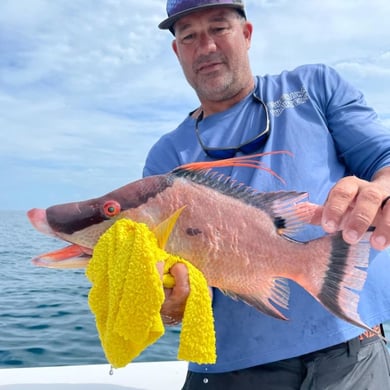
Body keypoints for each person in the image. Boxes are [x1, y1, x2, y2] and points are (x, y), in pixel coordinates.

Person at [143, 0, 390, 388]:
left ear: (247, 33)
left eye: (219, 28)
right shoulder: (167, 155)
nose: (205, 46)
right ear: (177, 51)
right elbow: (174, 289)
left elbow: (384, 157)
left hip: (350, 354)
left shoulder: (313, 87)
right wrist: (168, 305)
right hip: (229, 369)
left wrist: (382, 190)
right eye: (189, 36)